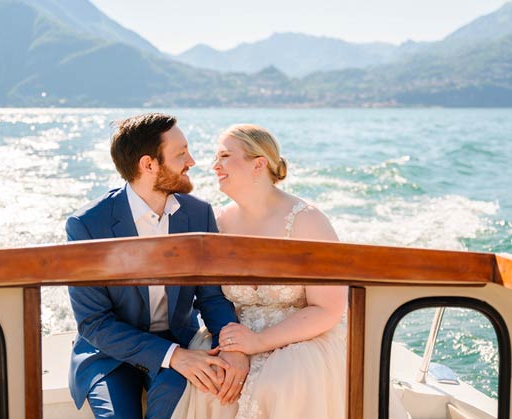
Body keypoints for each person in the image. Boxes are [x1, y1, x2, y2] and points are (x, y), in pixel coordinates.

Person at [65, 113, 249, 419]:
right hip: (108, 354)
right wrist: (173, 357)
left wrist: (231, 347)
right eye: (180, 154)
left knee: (178, 402)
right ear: (148, 165)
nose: (191, 161)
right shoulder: (87, 225)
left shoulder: (198, 215)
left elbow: (211, 297)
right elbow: (94, 322)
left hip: (181, 342)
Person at [174, 123, 347, 419]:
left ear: (259, 165)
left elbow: (329, 309)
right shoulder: (218, 223)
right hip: (234, 337)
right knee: (210, 384)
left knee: (282, 384)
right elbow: (211, 298)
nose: (214, 166)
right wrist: (233, 345)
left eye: (225, 156)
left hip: (302, 340)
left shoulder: (307, 221)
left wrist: (259, 342)